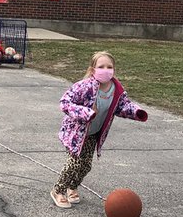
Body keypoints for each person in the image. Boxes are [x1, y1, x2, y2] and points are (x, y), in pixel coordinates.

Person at [50, 50, 148, 208]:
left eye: (109, 66)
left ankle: (72, 186)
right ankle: (58, 190)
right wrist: (86, 113)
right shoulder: (85, 86)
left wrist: (136, 112)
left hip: (93, 134)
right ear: (92, 69)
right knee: (75, 162)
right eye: (101, 66)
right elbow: (65, 102)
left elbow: (122, 106)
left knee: (86, 166)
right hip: (76, 133)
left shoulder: (116, 90)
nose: (105, 69)